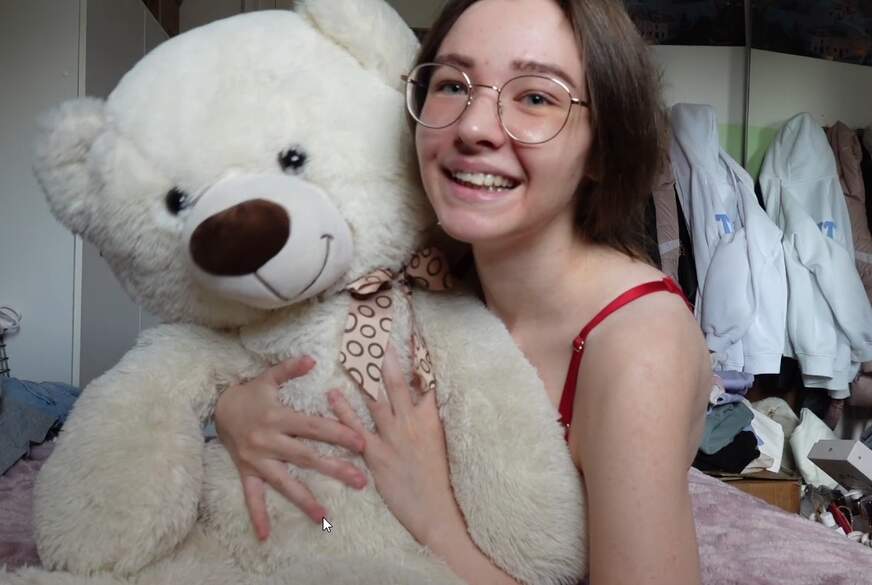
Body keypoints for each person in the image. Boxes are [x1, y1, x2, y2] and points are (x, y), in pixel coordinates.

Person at [214, 0, 712, 583]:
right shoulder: (418, 277)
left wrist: (435, 522)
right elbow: (328, 518)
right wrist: (235, 416)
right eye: (452, 85)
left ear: (602, 149)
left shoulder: (639, 347)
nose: (472, 127)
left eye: (536, 97)